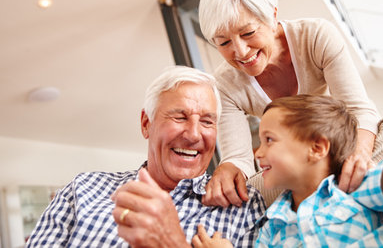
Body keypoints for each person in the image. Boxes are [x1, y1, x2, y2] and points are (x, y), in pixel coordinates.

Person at [198, 0, 382, 207]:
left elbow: (359, 110)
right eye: (223, 42)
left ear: (273, 17)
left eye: (249, 33)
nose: (240, 52)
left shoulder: (316, 36)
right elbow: (239, 158)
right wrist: (227, 169)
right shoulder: (224, 85)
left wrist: (359, 155)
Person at [25, 66, 266, 248]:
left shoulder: (242, 205)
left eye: (206, 121)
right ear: (146, 124)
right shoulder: (83, 190)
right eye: (179, 117)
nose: (193, 135)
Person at [191, 94, 383, 247]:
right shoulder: (273, 225)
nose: (258, 153)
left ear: (317, 148)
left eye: (269, 140)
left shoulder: (357, 189)